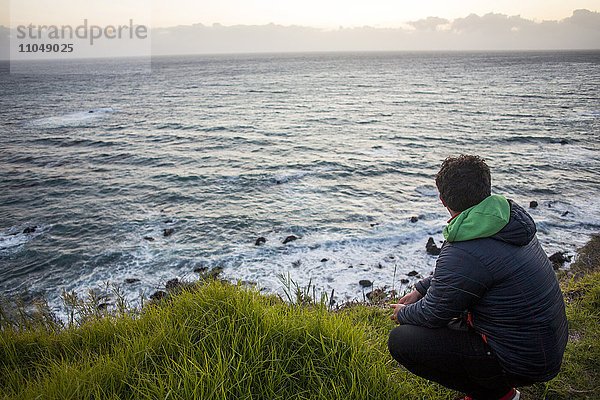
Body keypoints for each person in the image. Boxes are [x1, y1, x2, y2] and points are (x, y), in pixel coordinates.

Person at [388, 155, 568, 400]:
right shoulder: (506, 219)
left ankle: (496, 394)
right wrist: (421, 287)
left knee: (403, 339)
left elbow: (431, 314)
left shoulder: (463, 247)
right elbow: (471, 271)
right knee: (455, 312)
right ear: (486, 188)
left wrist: (402, 313)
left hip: (522, 361)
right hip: (545, 346)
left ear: (442, 199)